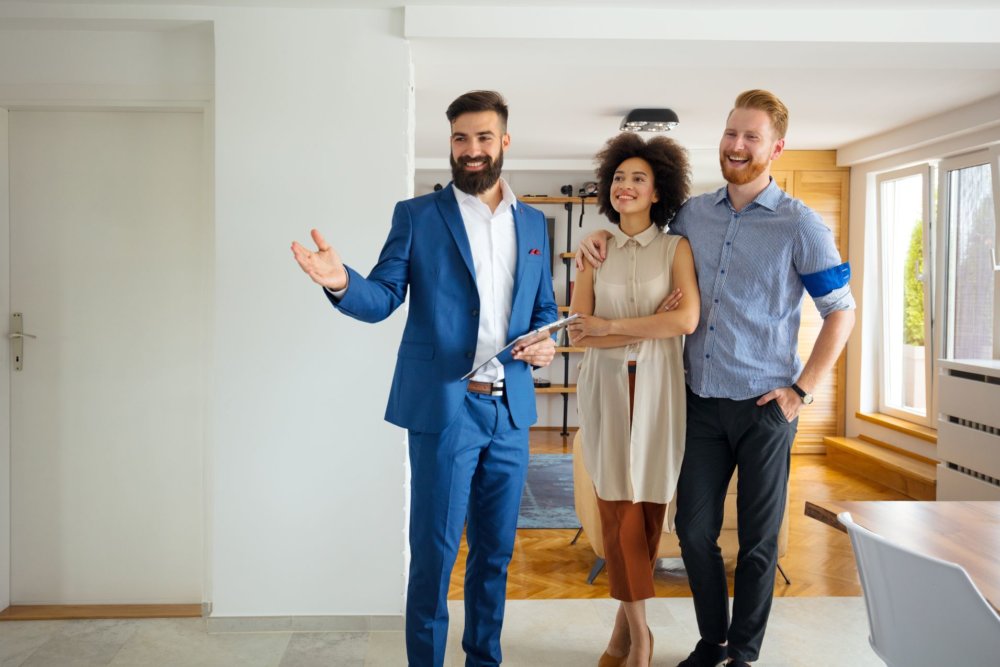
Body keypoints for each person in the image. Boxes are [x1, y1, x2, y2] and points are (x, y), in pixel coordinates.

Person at [577, 90, 855, 667]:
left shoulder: (801, 224)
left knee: (757, 542)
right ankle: (713, 640)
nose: (737, 145)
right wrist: (597, 237)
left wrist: (801, 391)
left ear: (776, 147)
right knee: (694, 530)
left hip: (765, 406)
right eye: (731, 133)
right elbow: (639, 230)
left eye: (751, 137)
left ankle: (743, 653)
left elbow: (841, 311)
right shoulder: (691, 217)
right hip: (699, 402)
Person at [291, 90, 558, 667]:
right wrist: (340, 280)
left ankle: (483, 660)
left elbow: (543, 310)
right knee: (435, 555)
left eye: (484, 137)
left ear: (504, 141)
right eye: (461, 138)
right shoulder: (417, 216)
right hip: (446, 409)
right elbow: (383, 296)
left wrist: (547, 343)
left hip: (509, 411)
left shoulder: (534, 222)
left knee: (495, 555)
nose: (471, 150)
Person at [568, 132, 699, 667]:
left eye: (638, 178)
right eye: (619, 177)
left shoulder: (675, 249)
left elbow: (685, 320)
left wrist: (611, 326)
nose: (625, 186)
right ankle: (643, 638)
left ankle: (622, 636)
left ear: (658, 190)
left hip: (659, 390)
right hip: (605, 390)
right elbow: (578, 332)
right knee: (616, 505)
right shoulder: (593, 249)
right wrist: (648, 325)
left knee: (647, 509)